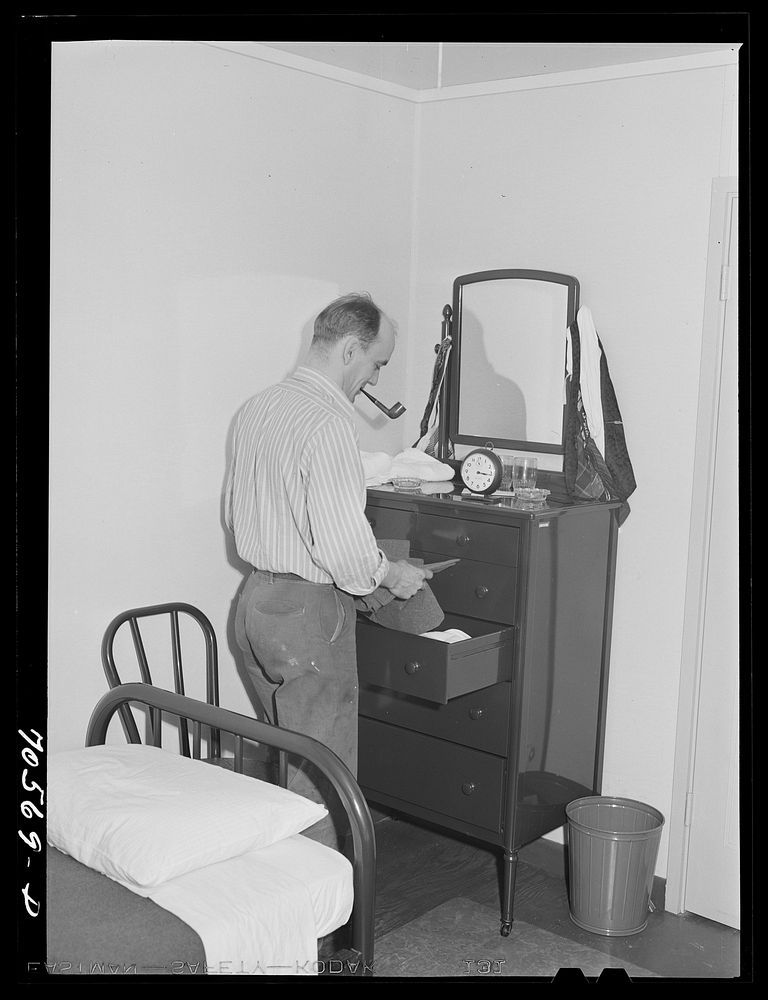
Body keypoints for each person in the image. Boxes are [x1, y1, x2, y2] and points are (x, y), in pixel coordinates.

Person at [225, 292, 431, 851]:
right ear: (348, 349)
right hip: (309, 617)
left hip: (255, 605)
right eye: (377, 364)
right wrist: (392, 575)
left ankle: (282, 905)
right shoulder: (328, 424)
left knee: (289, 760)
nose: (374, 378)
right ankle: (318, 930)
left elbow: (238, 516)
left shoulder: (257, 408)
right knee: (321, 778)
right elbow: (345, 554)